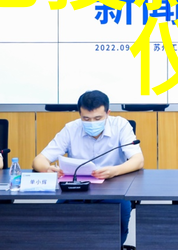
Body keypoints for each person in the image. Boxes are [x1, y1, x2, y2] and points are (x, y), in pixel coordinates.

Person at [33, 90, 143, 245]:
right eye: (86, 118)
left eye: (97, 118)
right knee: (60, 231)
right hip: (75, 191)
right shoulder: (71, 129)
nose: (92, 123)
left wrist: (114, 171)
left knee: (115, 232)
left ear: (108, 113)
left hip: (113, 191)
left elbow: (138, 160)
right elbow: (39, 160)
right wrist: (47, 168)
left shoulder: (120, 125)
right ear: (80, 114)